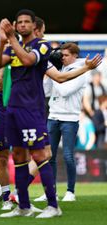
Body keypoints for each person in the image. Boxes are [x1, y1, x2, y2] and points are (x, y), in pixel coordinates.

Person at [0, 9, 101, 219]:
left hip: (32, 109)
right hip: (12, 107)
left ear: (34, 26)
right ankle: (24, 206)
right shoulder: (13, 47)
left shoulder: (41, 46)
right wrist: (0, 42)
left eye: (26, 22)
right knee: (18, 155)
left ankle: (53, 205)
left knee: (40, 155)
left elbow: (29, 61)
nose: (22, 25)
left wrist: (12, 39)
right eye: (19, 22)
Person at [42, 42, 89, 202]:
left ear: (75, 56)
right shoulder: (59, 70)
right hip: (53, 116)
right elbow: (46, 91)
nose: (62, 58)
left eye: (66, 55)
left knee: (68, 155)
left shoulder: (81, 72)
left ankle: (70, 191)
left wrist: (55, 75)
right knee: (50, 156)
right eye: (61, 55)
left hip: (70, 118)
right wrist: (50, 73)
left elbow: (65, 90)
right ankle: (51, 191)